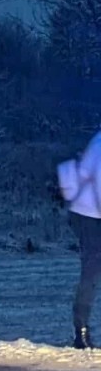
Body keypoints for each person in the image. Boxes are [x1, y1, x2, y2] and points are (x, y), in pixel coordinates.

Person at [60, 131, 101, 350]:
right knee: (91, 274)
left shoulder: (97, 140)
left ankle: (81, 330)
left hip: (87, 214)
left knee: (91, 274)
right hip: (91, 216)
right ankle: (81, 331)